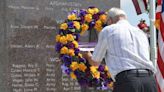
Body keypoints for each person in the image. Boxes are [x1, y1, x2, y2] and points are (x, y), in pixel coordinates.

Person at [82, 8, 157, 92]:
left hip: (127, 81)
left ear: (110, 20)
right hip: (149, 81)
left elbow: (96, 62)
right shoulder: (140, 33)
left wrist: (87, 56)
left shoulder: (108, 30)